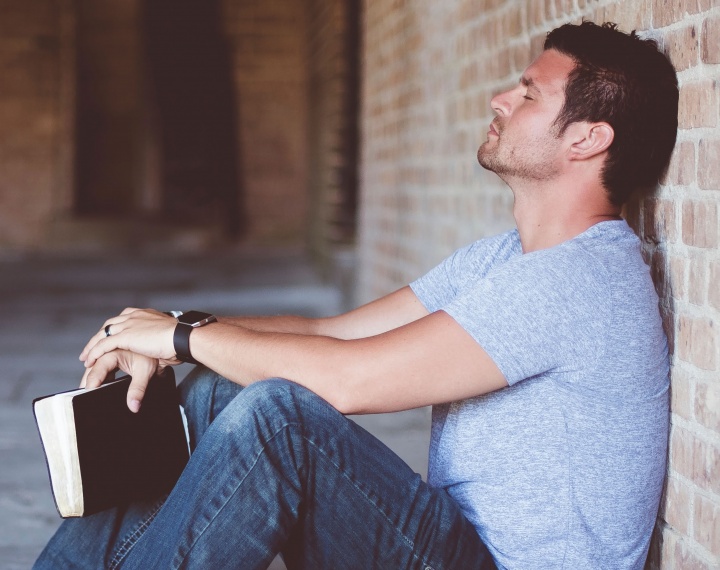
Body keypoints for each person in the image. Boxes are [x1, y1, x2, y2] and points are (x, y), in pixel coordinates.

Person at [35, 20, 678, 570]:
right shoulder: (504, 258)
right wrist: (179, 332)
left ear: (587, 138)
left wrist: (180, 338)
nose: (500, 97)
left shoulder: (578, 282)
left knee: (278, 421)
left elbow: (350, 380)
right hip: (451, 540)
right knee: (220, 384)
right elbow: (332, 336)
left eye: (529, 93)